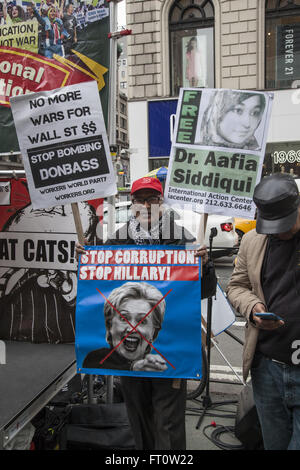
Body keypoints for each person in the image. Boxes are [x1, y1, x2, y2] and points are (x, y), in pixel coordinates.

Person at [76, 176, 217, 450]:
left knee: (168, 423)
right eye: (140, 199)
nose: (146, 205)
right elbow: (99, 285)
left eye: (152, 199)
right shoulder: (117, 240)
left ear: (161, 203)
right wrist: (85, 261)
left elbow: (204, 291)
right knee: (138, 419)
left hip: (172, 346)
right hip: (130, 353)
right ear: (132, 204)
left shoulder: (183, 238)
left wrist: (207, 264)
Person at [227, 172, 300, 450]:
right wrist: (252, 307)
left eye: (284, 225)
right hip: (267, 367)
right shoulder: (252, 241)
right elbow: (236, 286)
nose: (278, 232)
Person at [83, 282, 168, 372]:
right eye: (124, 319)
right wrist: (133, 369)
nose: (132, 329)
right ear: (109, 325)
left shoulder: (159, 366)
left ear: (154, 332)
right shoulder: (95, 359)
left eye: (142, 321)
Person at [199, 90, 266, 150]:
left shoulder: (258, 156)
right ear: (217, 112)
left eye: (255, 113)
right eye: (238, 110)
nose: (247, 123)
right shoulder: (197, 153)